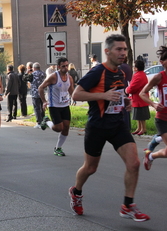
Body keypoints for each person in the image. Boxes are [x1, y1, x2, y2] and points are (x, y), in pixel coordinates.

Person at [69, 34, 149, 221]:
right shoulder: (98, 71)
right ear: (107, 51)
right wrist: (103, 96)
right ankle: (76, 192)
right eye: (118, 49)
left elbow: (117, 95)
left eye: (125, 49)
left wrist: (125, 102)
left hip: (118, 125)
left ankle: (128, 205)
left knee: (134, 163)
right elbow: (76, 95)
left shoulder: (121, 73)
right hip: (97, 126)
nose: (123, 53)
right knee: (90, 168)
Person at [38, 57, 74, 156]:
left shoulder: (69, 77)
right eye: (63, 66)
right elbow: (40, 88)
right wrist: (44, 101)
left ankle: (58, 148)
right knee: (59, 128)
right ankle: (47, 121)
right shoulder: (53, 76)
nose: (66, 68)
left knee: (66, 127)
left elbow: (71, 90)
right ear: (58, 67)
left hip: (65, 105)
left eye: (67, 66)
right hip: (54, 106)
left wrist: (74, 97)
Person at [141, 46, 167, 171]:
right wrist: (154, 104)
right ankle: (151, 153)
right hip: (163, 119)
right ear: (162, 63)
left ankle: (151, 152)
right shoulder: (159, 77)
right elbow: (142, 93)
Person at [126, 60, 149, 135]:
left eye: (134, 66)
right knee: (138, 115)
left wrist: (127, 90)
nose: (133, 67)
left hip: (139, 98)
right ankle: (139, 128)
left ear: (136, 68)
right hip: (138, 98)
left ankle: (143, 128)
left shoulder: (138, 75)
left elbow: (133, 87)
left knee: (141, 115)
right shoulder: (142, 74)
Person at [24, 62, 46, 128]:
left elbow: (24, 79)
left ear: (33, 68)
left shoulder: (32, 75)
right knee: (42, 108)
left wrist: (27, 72)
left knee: (37, 108)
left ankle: (39, 122)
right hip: (42, 93)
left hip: (35, 93)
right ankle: (43, 121)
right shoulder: (43, 73)